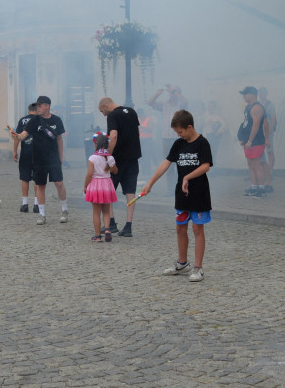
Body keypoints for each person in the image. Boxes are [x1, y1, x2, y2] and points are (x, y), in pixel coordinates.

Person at [140, 110, 212, 283]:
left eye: (180, 132)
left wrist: (187, 177)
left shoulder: (203, 143)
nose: (179, 135)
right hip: (182, 195)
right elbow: (166, 164)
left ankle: (198, 268)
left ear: (189, 127)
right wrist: (150, 183)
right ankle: (182, 264)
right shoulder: (178, 144)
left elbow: (206, 166)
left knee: (197, 229)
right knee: (180, 227)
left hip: (199, 194)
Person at [10, 95, 67, 225]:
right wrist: (16, 136)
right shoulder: (34, 120)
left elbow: (59, 138)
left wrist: (61, 155)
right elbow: (23, 135)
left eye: (40, 106)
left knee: (59, 184)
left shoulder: (57, 120)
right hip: (38, 158)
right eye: (37, 106)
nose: (38, 108)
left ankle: (64, 210)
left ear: (47, 106)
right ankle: (42, 214)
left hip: (53, 158)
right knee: (40, 185)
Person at [98, 96, 142, 237]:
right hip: (133, 157)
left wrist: (108, 157)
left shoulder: (112, 115)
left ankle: (111, 224)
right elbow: (136, 132)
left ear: (106, 106)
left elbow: (114, 136)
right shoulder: (132, 111)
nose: (103, 114)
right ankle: (128, 226)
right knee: (130, 192)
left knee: (109, 191)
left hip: (118, 159)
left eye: (102, 111)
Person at [236, 86, 271, 197]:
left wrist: (251, 140)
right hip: (248, 141)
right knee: (250, 165)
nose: (244, 97)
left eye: (245, 94)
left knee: (257, 165)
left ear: (252, 94)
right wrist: (245, 139)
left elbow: (257, 125)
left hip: (256, 141)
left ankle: (261, 189)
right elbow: (247, 124)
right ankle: (254, 187)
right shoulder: (248, 107)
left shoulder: (257, 108)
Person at [84, 133, 117, 242]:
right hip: (107, 184)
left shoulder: (92, 158)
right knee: (106, 211)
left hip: (95, 185)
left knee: (96, 212)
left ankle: (98, 236)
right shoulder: (110, 157)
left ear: (95, 145)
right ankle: (107, 229)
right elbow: (115, 171)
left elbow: (89, 174)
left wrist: (85, 186)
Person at [147, 84, 188, 161]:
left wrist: (176, 92)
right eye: (171, 92)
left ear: (178, 93)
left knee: (180, 159)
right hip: (166, 136)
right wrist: (157, 94)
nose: (172, 93)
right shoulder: (164, 103)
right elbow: (149, 103)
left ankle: (181, 173)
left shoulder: (181, 104)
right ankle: (170, 173)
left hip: (179, 136)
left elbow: (186, 102)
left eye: (174, 91)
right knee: (168, 159)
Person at [11, 103, 38, 212]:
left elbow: (17, 137)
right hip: (38, 153)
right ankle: (36, 204)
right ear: (38, 110)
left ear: (29, 111)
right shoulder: (39, 119)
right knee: (37, 179)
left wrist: (15, 151)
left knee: (25, 178)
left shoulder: (22, 120)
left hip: (25, 152)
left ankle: (25, 204)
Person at [258, 87, 278, 187]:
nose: (262, 94)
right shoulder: (257, 105)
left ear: (266, 93)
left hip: (268, 131)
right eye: (260, 93)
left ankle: (270, 171)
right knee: (260, 153)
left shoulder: (270, 105)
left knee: (270, 151)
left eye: (263, 93)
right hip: (258, 133)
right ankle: (263, 172)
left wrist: (269, 132)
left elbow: (273, 119)